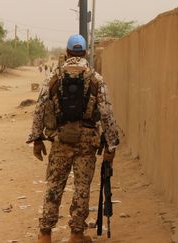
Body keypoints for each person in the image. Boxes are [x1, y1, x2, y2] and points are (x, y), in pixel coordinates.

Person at [27, 34, 119, 243]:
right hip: (87, 141)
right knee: (81, 187)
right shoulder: (96, 79)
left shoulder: (54, 78)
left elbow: (40, 107)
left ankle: (44, 234)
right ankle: (76, 234)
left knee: (54, 185)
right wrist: (111, 146)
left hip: (60, 140)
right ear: (85, 53)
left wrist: (37, 138)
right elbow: (106, 114)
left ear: (67, 53)